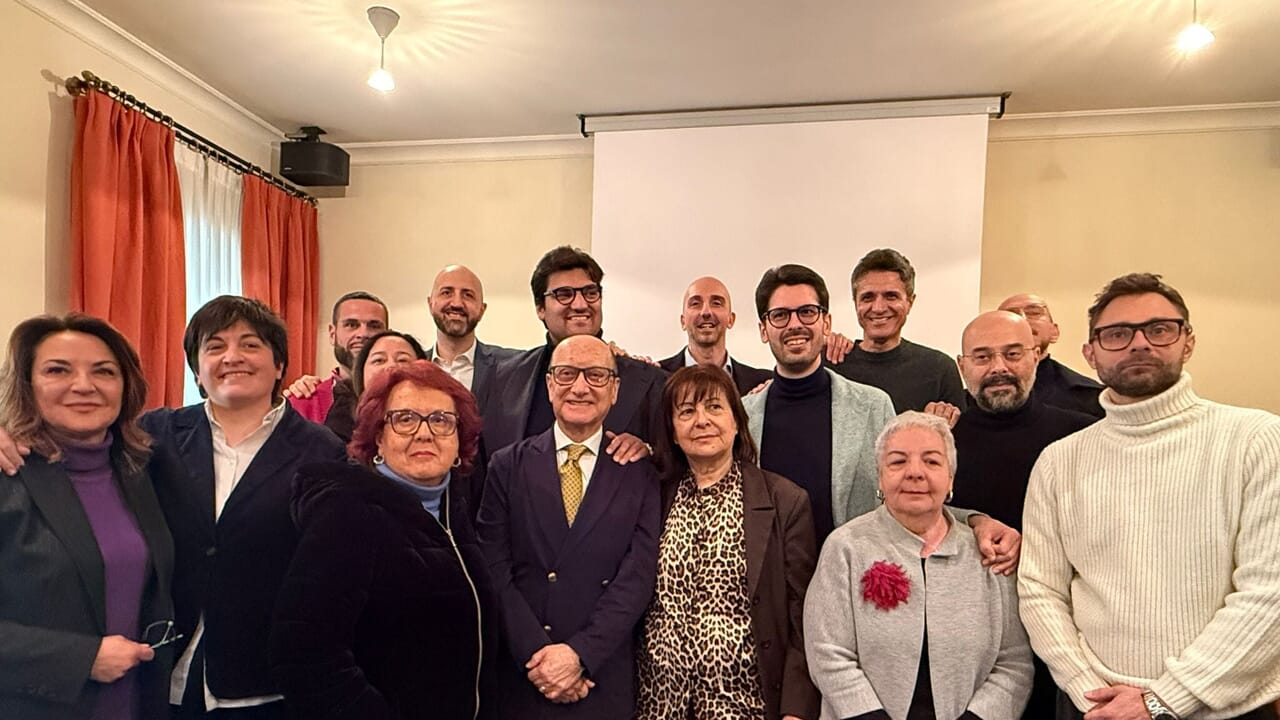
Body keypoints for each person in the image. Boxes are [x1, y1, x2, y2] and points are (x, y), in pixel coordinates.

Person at [1019, 273, 1280, 720]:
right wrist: (1088, 692)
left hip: (1225, 710)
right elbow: (1039, 589)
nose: (1139, 343)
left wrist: (1163, 701)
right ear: (1091, 352)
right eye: (1117, 334)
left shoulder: (1257, 439)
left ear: (1188, 341)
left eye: (1158, 329)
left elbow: (1269, 593)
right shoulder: (1060, 461)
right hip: (1096, 706)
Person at [145, 296, 348, 719]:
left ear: (279, 365)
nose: (232, 356)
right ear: (197, 371)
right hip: (162, 670)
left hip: (267, 679)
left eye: (250, 344)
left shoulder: (322, 450)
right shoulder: (155, 435)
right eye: (215, 346)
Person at [270, 361, 495, 720]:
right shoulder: (347, 514)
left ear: (458, 439)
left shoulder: (453, 512)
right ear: (378, 437)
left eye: (441, 420)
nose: (425, 433)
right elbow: (305, 656)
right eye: (405, 419)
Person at [0, 314, 175, 720]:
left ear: (125, 386)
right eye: (57, 370)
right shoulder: (8, 478)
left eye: (104, 371)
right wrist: (80, 658)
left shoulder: (145, 469)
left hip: (138, 705)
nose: (84, 385)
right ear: (26, 384)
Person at [805, 412, 1033, 720]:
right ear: (880, 476)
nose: (915, 472)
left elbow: (1014, 664)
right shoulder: (845, 547)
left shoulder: (989, 554)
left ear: (950, 478)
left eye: (932, 461)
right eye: (898, 461)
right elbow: (827, 652)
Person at [477, 335, 660, 719]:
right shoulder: (507, 466)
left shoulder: (641, 473)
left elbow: (638, 577)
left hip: (601, 677)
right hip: (525, 676)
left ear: (614, 390)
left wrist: (581, 655)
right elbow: (493, 568)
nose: (579, 387)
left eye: (595, 375)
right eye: (566, 374)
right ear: (549, 385)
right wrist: (538, 655)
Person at [637, 365, 819, 720]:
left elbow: (803, 616)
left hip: (744, 706)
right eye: (686, 411)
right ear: (672, 432)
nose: (701, 421)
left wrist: (795, 710)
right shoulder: (652, 495)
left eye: (714, 407)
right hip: (659, 704)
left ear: (737, 421)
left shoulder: (785, 500)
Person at [949, 311, 1094, 720]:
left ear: (1036, 356)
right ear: (962, 366)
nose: (999, 367)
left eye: (1012, 354)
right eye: (982, 357)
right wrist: (971, 520)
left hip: (1069, 642)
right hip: (972, 645)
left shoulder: (1084, 437)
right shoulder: (942, 445)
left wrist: (1039, 547)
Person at [742, 263, 896, 546]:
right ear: (763, 330)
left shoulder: (874, 407)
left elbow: (899, 498)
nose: (795, 324)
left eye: (807, 311)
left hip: (853, 567)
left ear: (826, 323)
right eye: (780, 315)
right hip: (768, 571)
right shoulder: (742, 415)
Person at [483, 246, 666, 463]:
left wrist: (649, 451)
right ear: (540, 308)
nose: (580, 304)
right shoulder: (503, 379)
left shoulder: (651, 383)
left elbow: (674, 462)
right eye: (564, 294)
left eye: (590, 293)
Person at [826, 249, 966, 415]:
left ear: (910, 302)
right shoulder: (831, 362)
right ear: (855, 303)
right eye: (868, 297)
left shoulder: (940, 369)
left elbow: (958, 430)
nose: (878, 308)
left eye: (891, 296)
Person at [657, 276, 772, 396]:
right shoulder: (656, 379)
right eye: (695, 304)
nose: (706, 312)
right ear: (683, 321)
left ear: (731, 320)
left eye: (716, 303)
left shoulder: (763, 385)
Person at [425, 264, 520, 406]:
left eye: (468, 295)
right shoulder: (410, 368)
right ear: (430, 304)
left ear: (482, 310)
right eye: (447, 293)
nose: (457, 303)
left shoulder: (513, 367)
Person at [286, 291, 388, 423]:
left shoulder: (408, 398)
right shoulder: (302, 403)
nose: (363, 334)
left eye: (374, 326)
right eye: (351, 325)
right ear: (332, 334)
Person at [997, 293, 1103, 419]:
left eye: (1034, 313)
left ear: (1054, 332)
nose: (1023, 319)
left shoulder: (1090, 395)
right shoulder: (978, 391)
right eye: (1011, 315)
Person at [324, 330, 428, 442]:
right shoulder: (342, 414)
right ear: (361, 372)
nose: (391, 366)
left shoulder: (435, 415)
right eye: (379, 360)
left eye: (402, 360)